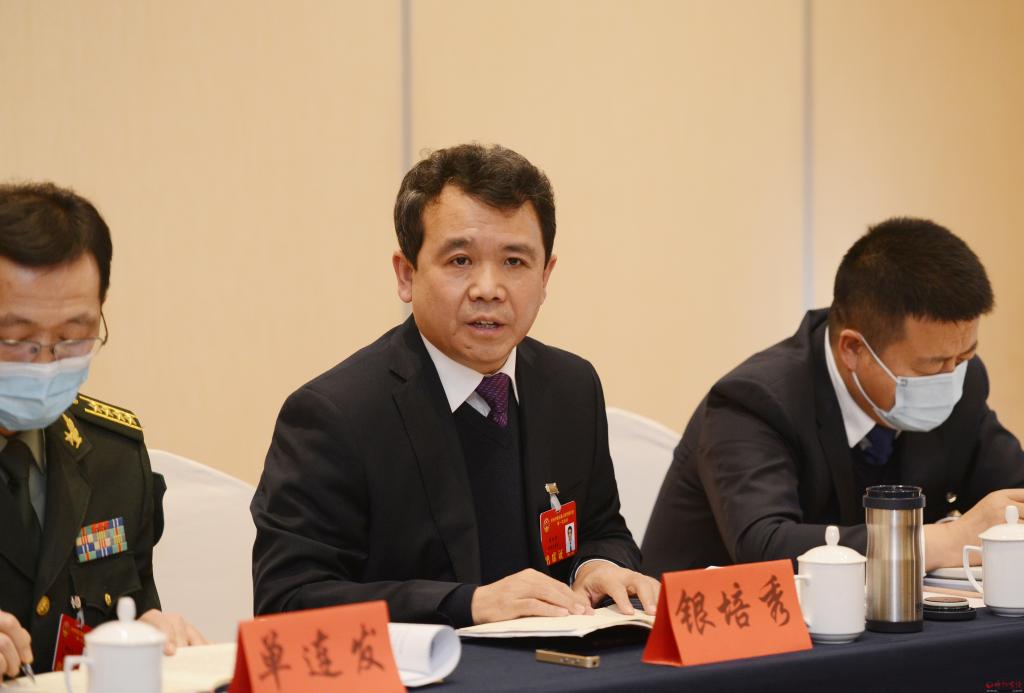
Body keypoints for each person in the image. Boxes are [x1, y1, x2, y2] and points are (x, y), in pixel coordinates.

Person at [252, 143, 659, 627]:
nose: (488, 289)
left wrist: (597, 566)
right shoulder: (335, 415)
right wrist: (467, 605)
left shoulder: (571, 387)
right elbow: (288, 599)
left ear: (546, 275)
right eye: (461, 260)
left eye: (515, 262)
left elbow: (602, 528)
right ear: (407, 275)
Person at [642, 217, 1024, 575]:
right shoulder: (754, 401)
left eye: (965, 356)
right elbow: (765, 544)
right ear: (853, 349)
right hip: (713, 619)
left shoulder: (963, 382)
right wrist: (940, 542)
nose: (951, 376)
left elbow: (1014, 489)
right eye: (933, 364)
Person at [0, 183, 205, 675]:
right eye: (17, 337)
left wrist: (153, 632)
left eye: (73, 336)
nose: (45, 362)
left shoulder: (114, 455)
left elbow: (132, 604)